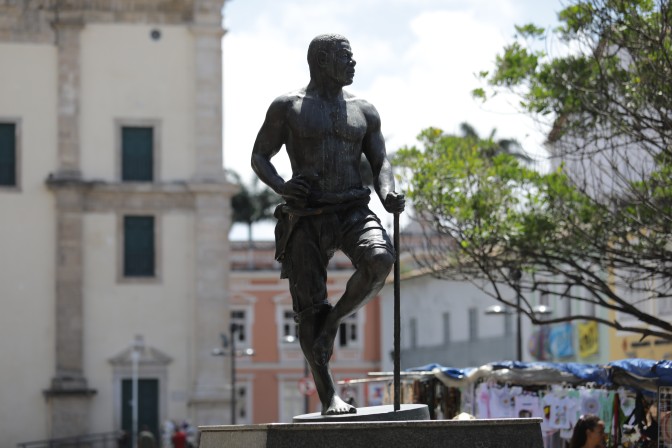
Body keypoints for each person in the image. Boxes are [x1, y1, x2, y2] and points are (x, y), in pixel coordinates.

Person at [251, 33, 405, 415]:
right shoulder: (288, 107)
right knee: (309, 309)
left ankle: (334, 321)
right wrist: (282, 186)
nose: (353, 64)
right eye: (345, 57)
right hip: (306, 215)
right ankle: (328, 395)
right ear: (322, 61)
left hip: (352, 208)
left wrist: (388, 192)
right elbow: (259, 156)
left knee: (380, 260)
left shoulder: (364, 110)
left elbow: (380, 161)